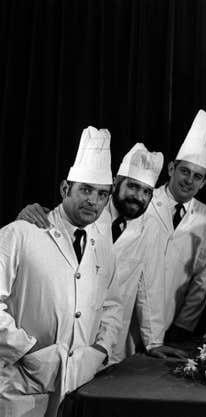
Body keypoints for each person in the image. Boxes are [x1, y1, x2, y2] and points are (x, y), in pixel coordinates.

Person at [18, 143, 188, 361]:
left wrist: (154, 342)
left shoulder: (150, 228)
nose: (139, 197)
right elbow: (54, 228)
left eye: (147, 192)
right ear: (116, 183)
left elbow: (150, 287)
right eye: (133, 187)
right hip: (60, 335)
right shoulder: (89, 210)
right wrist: (27, 215)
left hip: (110, 336)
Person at [0, 127, 122, 417]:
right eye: (86, 190)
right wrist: (25, 350)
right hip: (22, 381)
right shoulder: (20, 233)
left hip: (80, 380)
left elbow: (112, 305)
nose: (93, 201)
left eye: (102, 194)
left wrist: (101, 348)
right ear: (65, 189)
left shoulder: (103, 248)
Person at [146, 109, 206, 343]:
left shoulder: (205, 218)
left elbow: (202, 278)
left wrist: (183, 325)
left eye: (197, 176)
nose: (189, 180)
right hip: (126, 315)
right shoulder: (145, 203)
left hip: (170, 322)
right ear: (171, 169)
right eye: (184, 171)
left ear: (204, 182)